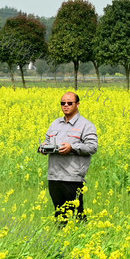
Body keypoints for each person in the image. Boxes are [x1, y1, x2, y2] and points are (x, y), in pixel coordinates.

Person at [39, 91, 98, 222]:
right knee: (59, 214)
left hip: (72, 177)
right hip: (54, 176)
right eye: (63, 103)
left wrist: (72, 147)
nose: (65, 105)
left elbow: (92, 147)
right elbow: (48, 141)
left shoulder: (86, 125)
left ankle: (82, 239)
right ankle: (61, 240)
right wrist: (44, 147)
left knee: (77, 214)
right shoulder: (55, 124)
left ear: (77, 104)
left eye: (69, 103)